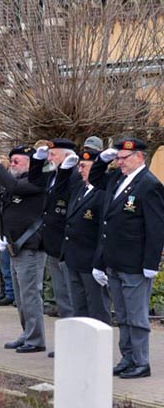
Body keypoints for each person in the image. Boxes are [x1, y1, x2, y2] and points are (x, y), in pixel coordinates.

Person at [90, 138, 164, 379]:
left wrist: (151, 263)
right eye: (118, 158)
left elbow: (156, 227)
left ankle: (142, 362)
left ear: (139, 157)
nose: (119, 162)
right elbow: (95, 179)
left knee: (136, 316)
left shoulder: (149, 185)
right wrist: (102, 159)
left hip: (135, 263)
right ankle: (128, 357)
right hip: (114, 260)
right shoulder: (117, 179)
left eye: (124, 158)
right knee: (121, 314)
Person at [0, 146, 47, 353]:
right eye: (10, 161)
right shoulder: (15, 184)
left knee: (30, 294)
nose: (12, 164)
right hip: (13, 246)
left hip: (30, 246)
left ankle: (36, 338)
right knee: (20, 296)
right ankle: (27, 332)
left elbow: (13, 186)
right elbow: (4, 210)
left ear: (30, 163)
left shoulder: (36, 181)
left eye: (17, 161)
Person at [29, 138, 80, 323]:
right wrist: (37, 159)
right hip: (52, 243)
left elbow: (62, 196)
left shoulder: (74, 176)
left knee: (70, 296)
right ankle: (67, 339)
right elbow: (34, 180)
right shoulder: (52, 175)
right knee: (61, 296)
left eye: (53, 154)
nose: (49, 158)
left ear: (67, 156)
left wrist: (65, 172)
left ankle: (74, 339)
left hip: (65, 243)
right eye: (48, 154)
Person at [61, 145, 111, 324]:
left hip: (91, 259)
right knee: (79, 309)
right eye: (79, 166)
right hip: (74, 257)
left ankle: (99, 350)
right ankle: (81, 348)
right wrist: (64, 170)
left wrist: (100, 261)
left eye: (84, 166)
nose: (80, 170)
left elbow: (103, 231)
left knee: (97, 308)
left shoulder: (104, 192)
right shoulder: (80, 189)